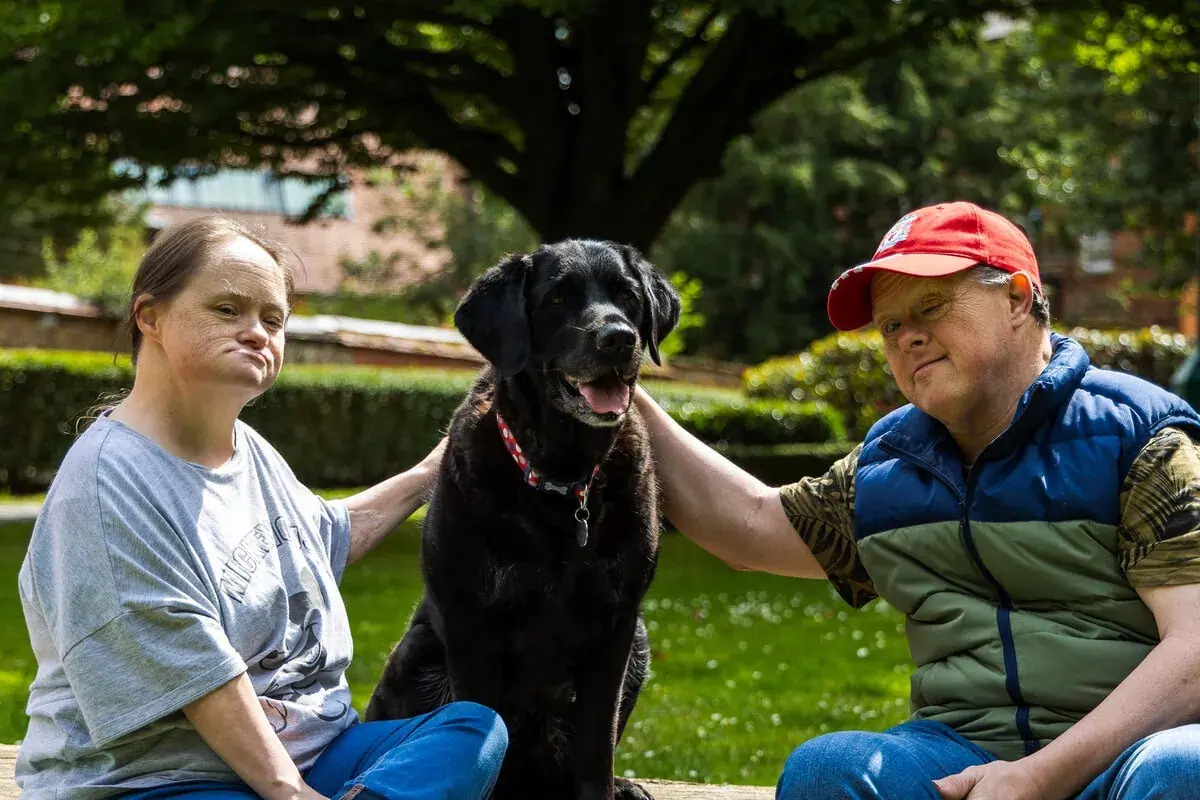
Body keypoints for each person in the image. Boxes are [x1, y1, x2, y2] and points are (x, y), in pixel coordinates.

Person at [633, 201, 1200, 800]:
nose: (909, 337)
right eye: (890, 326)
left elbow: (1193, 653)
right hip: (957, 756)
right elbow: (750, 524)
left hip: (1124, 759)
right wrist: (622, 395)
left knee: (1185, 767)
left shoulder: (1138, 437)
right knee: (828, 768)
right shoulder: (891, 463)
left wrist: (1036, 778)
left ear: (1015, 298)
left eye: (931, 306)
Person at [15, 216, 508, 799]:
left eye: (273, 319)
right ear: (150, 317)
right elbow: (195, 674)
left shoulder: (246, 449)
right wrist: (290, 794)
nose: (257, 332)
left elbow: (321, 536)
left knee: (475, 730)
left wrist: (436, 470)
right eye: (228, 309)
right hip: (159, 778)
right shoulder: (108, 483)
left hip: (312, 754)